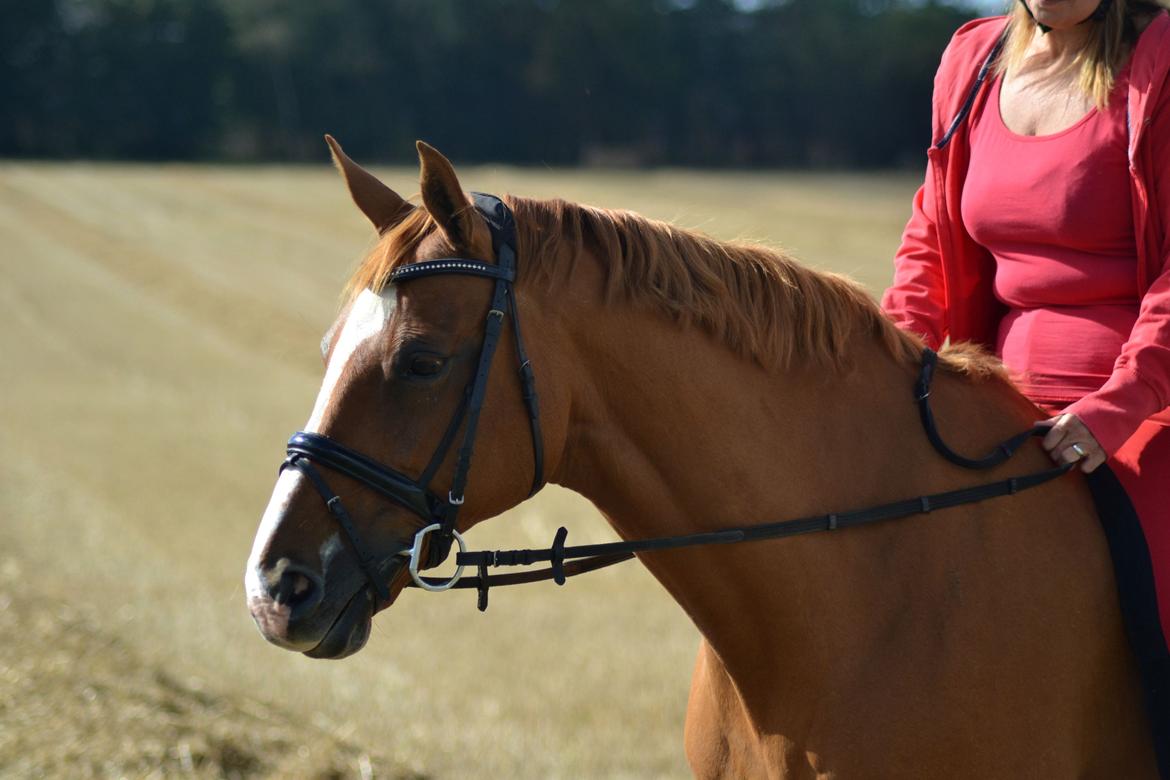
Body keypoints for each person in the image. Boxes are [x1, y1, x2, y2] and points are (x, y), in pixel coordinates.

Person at [882, 0, 1170, 760]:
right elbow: (929, 247)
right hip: (994, 402)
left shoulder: (1161, 64)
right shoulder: (971, 63)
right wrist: (885, 368)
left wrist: (1113, 411)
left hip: (1144, 414)